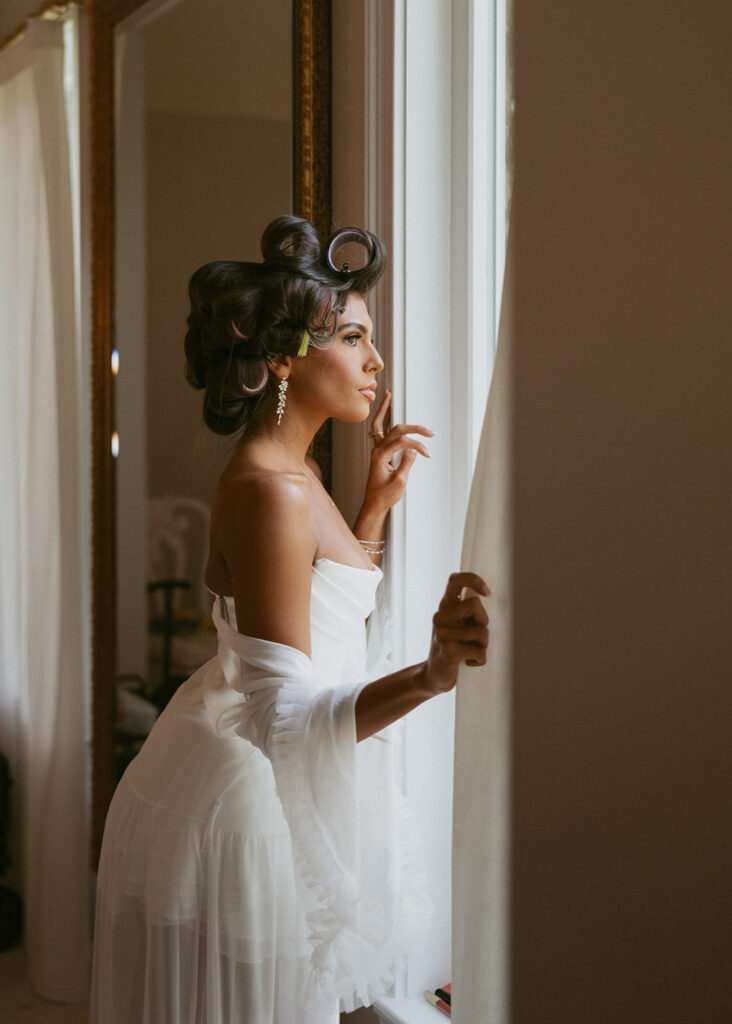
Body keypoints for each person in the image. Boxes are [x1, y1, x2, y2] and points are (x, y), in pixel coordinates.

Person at [90, 216, 489, 1024]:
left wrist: (371, 509)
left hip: (260, 771)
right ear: (280, 358)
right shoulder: (269, 491)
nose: (375, 361)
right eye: (350, 337)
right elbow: (283, 717)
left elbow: (320, 620)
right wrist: (430, 675)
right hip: (246, 804)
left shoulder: (296, 472)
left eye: (369, 338)